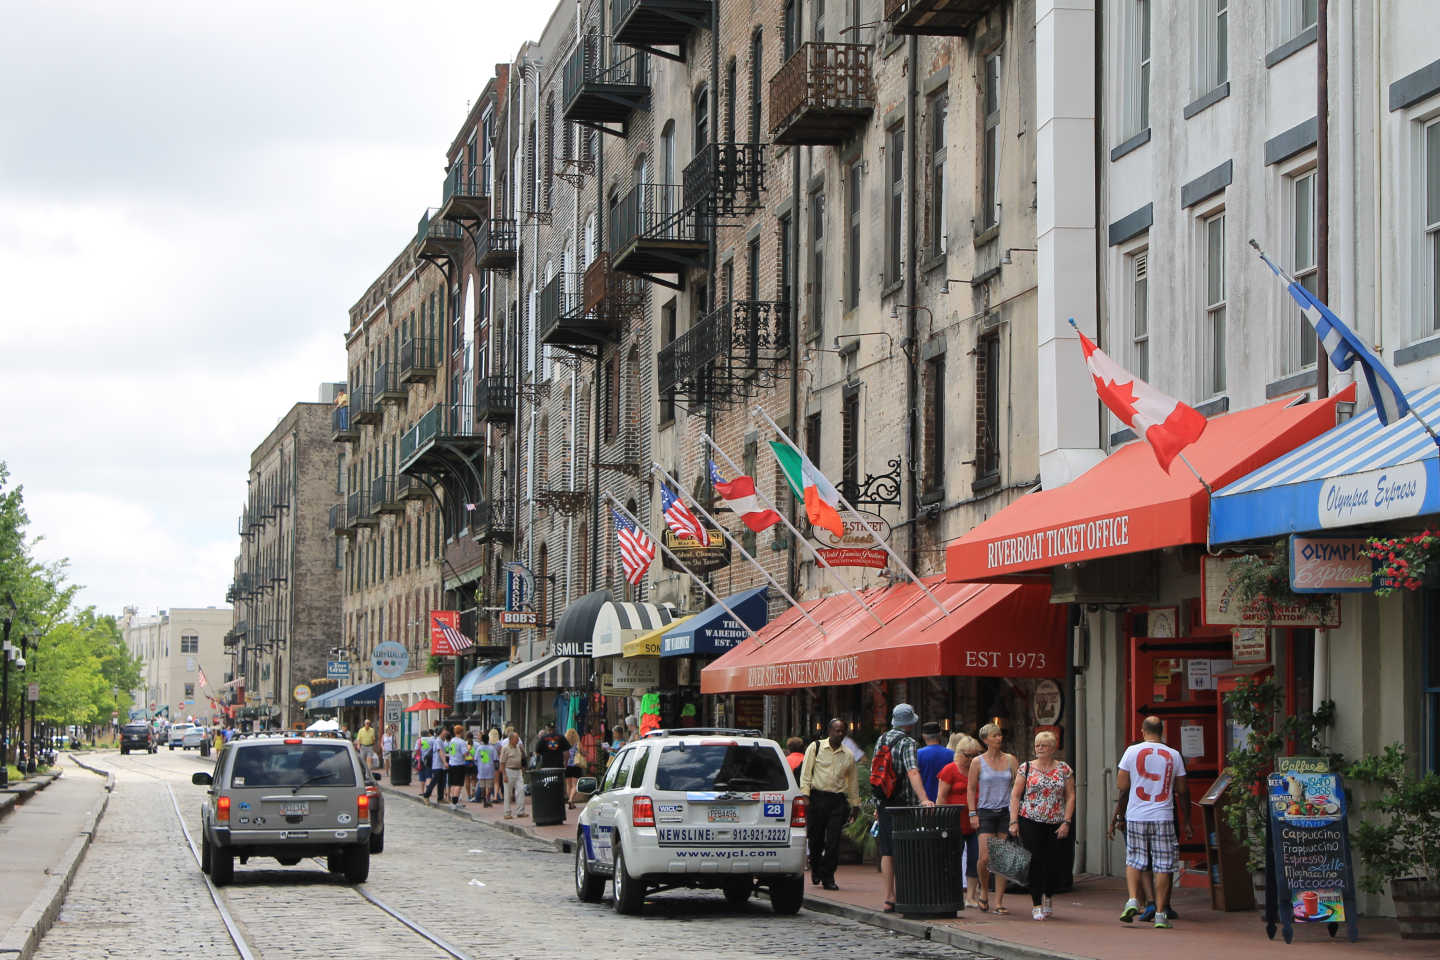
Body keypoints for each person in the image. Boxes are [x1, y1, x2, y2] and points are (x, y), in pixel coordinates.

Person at [1111, 715, 1191, 929]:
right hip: (1163, 815)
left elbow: (1122, 784)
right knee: (1163, 865)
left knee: (1134, 859)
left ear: (1142, 731)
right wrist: (1187, 821)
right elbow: (1182, 789)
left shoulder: (1131, 751)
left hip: (1136, 814)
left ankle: (1132, 900)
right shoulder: (1174, 755)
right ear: (1162, 731)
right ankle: (1160, 914)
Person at [1008, 730, 1075, 921]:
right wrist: (1014, 820)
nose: (1039, 749)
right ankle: (1036, 902)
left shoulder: (1064, 769)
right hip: (1030, 819)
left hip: (1055, 821)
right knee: (1035, 861)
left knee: (1053, 862)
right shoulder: (1026, 768)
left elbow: (1070, 795)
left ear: (1053, 748)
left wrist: (1067, 821)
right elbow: (1015, 795)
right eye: (1037, 745)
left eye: (1044, 745)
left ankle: (1048, 895)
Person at [875, 703, 934, 913]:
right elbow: (913, 772)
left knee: (887, 851)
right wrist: (924, 799)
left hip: (884, 802)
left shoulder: (881, 739)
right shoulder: (908, 742)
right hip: (903, 803)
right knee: (905, 848)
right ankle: (905, 893)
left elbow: (878, 774)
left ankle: (888, 897)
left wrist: (877, 802)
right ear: (910, 723)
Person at [799, 718, 859, 891]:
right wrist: (805, 795)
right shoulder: (815, 747)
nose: (839, 734)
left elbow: (852, 781)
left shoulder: (848, 754)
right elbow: (806, 772)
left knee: (833, 842)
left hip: (837, 801)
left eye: (842, 731)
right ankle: (816, 867)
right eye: (836, 731)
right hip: (817, 798)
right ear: (830, 731)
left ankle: (828, 876)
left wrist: (855, 804)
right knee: (816, 839)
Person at [967, 722, 1018, 914]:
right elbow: (971, 788)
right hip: (986, 811)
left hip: (1005, 811)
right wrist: (973, 813)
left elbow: (1017, 785)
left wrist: (1015, 815)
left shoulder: (1011, 760)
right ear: (986, 739)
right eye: (995, 736)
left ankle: (999, 901)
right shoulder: (977, 762)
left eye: (1000, 735)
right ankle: (983, 891)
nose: (999, 738)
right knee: (985, 857)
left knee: (1001, 857)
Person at [937, 733, 983, 907]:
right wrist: (941, 819)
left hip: (975, 822)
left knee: (974, 858)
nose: (970, 759)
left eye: (974, 755)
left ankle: (971, 896)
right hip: (953, 822)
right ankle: (951, 892)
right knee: (952, 858)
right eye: (967, 755)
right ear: (959, 753)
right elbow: (941, 797)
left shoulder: (979, 770)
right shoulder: (950, 770)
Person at [915, 721, 950, 802]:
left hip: (924, 802)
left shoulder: (917, 754)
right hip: (946, 804)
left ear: (923, 736)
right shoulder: (952, 754)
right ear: (940, 734)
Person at [499, 728, 527, 819]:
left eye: (518, 739)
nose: (518, 740)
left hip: (518, 771)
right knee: (508, 793)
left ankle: (520, 811)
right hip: (508, 770)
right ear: (510, 739)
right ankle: (507, 813)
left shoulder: (518, 747)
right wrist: (504, 775)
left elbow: (522, 758)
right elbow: (502, 762)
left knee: (521, 790)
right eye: (516, 739)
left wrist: (522, 769)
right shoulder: (505, 748)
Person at [423, 728, 450, 804]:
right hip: (437, 765)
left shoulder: (442, 741)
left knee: (442, 782)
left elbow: (443, 752)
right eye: (445, 731)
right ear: (441, 732)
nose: (446, 732)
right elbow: (440, 752)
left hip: (442, 766)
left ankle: (440, 798)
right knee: (434, 781)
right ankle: (426, 795)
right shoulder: (438, 741)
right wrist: (445, 762)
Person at [446, 725, 469, 807]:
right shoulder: (461, 742)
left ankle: (453, 800)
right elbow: (465, 753)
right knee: (458, 784)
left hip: (452, 763)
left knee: (453, 783)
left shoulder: (452, 741)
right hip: (459, 764)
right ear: (461, 732)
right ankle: (455, 802)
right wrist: (468, 750)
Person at [472, 733, 496, 806]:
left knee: (482, 785)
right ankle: (488, 799)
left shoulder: (479, 748)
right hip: (490, 768)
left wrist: (478, 765)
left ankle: (483, 799)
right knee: (489, 785)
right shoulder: (492, 748)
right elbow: (495, 759)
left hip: (481, 768)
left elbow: (475, 759)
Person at [563, 727, 583, 808]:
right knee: (575, 785)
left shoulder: (565, 744)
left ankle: (570, 800)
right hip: (576, 765)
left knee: (569, 785)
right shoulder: (578, 743)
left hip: (567, 765)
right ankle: (571, 800)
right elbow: (583, 752)